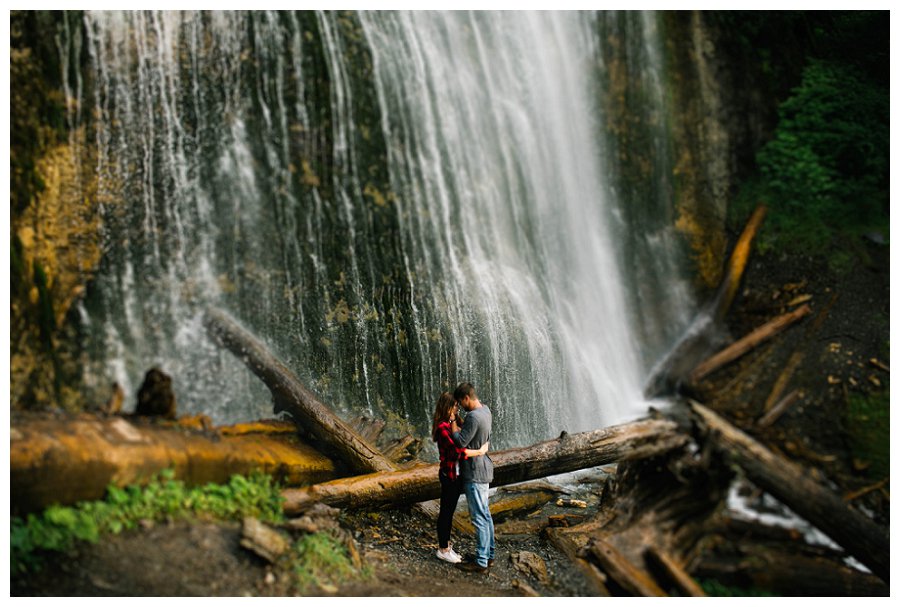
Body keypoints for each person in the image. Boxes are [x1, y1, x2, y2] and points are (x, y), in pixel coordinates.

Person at [431, 391, 489, 564]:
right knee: (446, 513)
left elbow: (467, 435)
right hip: (448, 476)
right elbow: (457, 452)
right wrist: (479, 451)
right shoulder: (442, 427)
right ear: (446, 406)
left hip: (456, 477)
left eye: (457, 405)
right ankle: (443, 550)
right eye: (454, 406)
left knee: (449, 511)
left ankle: (447, 546)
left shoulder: (452, 423)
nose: (457, 408)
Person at [451, 382, 495, 573]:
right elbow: (476, 434)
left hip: (475, 472)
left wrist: (453, 421)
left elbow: (460, 442)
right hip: (484, 468)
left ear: (466, 398)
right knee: (486, 515)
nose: (461, 407)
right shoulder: (486, 410)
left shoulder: (473, 417)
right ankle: (489, 555)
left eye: (461, 403)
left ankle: (481, 562)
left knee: (478, 518)